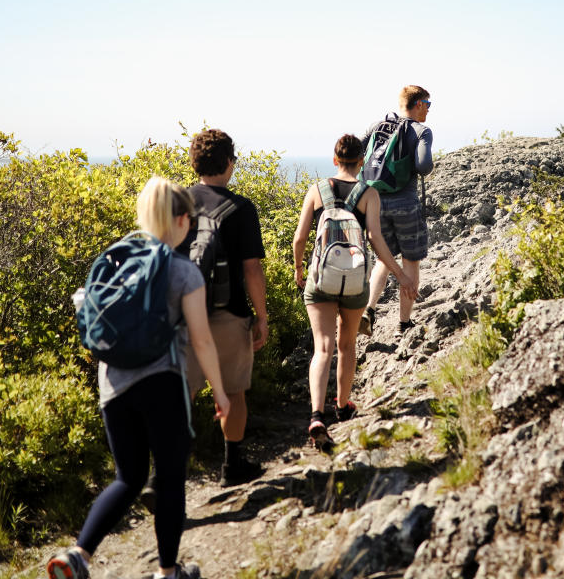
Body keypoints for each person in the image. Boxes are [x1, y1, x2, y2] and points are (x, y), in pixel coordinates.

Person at [46, 177, 229, 579]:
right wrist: (220, 392)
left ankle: (78, 555)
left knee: (127, 478)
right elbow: (201, 339)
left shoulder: (115, 259)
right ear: (181, 220)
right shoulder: (182, 270)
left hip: (112, 386)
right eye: (190, 221)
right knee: (169, 478)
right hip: (161, 382)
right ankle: (168, 572)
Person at [291, 134, 418, 451]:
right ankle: (343, 404)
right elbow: (376, 238)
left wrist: (298, 269)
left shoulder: (317, 191)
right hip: (355, 281)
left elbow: (299, 239)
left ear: (335, 160)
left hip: (321, 280)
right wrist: (400, 274)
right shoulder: (368, 194)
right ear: (362, 162)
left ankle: (317, 415)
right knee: (346, 345)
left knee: (322, 348)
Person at [180, 129, 269, 485]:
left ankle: (164, 474)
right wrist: (261, 316)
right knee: (233, 391)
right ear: (229, 163)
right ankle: (233, 466)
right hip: (228, 313)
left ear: (195, 162)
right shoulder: (242, 208)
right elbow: (252, 269)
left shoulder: (177, 203)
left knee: (179, 398)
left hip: (183, 315)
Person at [361, 85, 434, 337]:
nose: (429, 109)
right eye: (428, 103)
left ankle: (368, 311)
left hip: (376, 203)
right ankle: (404, 324)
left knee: (384, 258)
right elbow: (424, 166)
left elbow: (360, 155)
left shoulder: (377, 126)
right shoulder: (421, 131)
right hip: (406, 204)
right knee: (410, 261)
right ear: (418, 104)